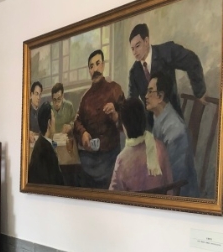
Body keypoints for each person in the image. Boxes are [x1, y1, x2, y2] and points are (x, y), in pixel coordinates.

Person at [128, 23, 206, 127]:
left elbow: (192, 60)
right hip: (151, 126)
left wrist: (199, 92)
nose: (134, 52)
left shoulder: (166, 52)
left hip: (173, 121)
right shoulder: (134, 71)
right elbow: (131, 101)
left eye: (137, 46)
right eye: (132, 48)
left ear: (146, 41)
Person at [73, 49, 125, 189]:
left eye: (97, 63)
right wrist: (83, 133)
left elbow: (127, 119)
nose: (95, 69)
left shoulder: (115, 89)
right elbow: (77, 121)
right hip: (90, 157)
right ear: (89, 71)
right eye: (91, 66)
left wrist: (115, 114)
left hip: (110, 156)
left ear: (103, 65)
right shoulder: (85, 98)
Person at [146, 71, 199, 197]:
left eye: (150, 92)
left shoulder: (176, 131)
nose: (146, 96)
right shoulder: (158, 118)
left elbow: (174, 177)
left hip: (179, 195)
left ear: (160, 96)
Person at [109, 98, 173, 192]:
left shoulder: (121, 160)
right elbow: (170, 185)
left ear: (124, 125)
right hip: (160, 201)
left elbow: (113, 195)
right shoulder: (160, 147)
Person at [28, 102, 64, 185]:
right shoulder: (46, 151)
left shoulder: (41, 143)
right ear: (49, 123)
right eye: (54, 117)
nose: (55, 120)